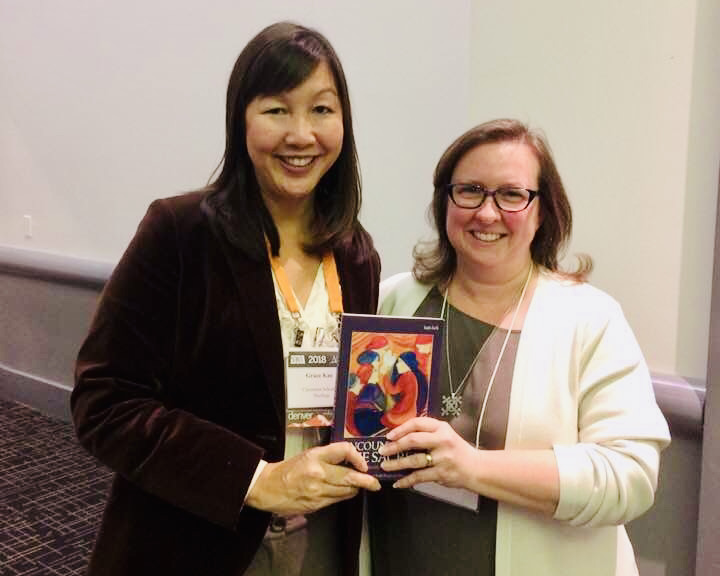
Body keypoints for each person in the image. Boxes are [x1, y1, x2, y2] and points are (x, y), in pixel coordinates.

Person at [71, 21, 381, 576]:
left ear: (345, 122)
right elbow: (104, 401)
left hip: (326, 536)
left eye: (321, 110)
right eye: (277, 110)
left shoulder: (356, 253)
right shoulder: (181, 232)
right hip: (198, 538)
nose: (301, 134)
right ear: (241, 119)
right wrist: (258, 479)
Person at [366, 119, 670, 576]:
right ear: (444, 200)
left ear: (542, 211)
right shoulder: (396, 298)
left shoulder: (589, 318)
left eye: (511, 195)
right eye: (469, 190)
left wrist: (473, 468)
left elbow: (630, 476)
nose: (486, 213)